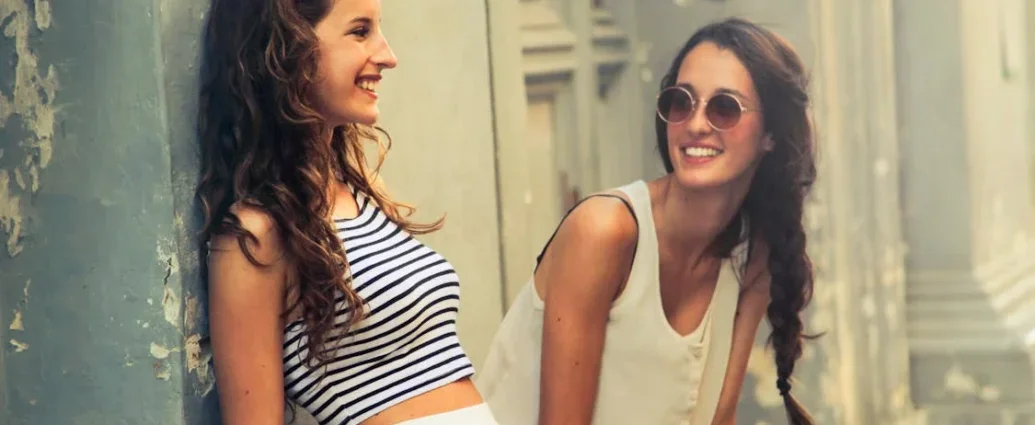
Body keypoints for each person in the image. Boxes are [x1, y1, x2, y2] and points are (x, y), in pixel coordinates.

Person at [475, 17, 817, 425]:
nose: (695, 124)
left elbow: (719, 418)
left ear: (771, 135)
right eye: (681, 102)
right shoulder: (603, 231)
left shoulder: (753, 252)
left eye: (724, 108)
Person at [196, 1, 497, 424]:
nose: (388, 56)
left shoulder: (357, 196)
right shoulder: (255, 236)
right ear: (287, 50)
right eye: (360, 31)